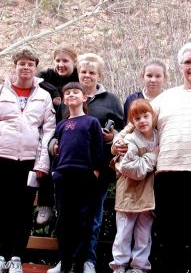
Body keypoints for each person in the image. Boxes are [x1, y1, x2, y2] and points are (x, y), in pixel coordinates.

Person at [115, 42, 191, 273]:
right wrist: (118, 143)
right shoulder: (165, 98)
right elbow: (136, 121)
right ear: (180, 66)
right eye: (187, 62)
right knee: (170, 240)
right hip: (168, 175)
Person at [0, 47, 56, 273]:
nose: (26, 68)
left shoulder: (43, 95)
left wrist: (42, 163)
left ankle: (16, 258)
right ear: (15, 66)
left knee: (22, 213)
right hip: (1, 161)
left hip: (30, 164)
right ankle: (0, 256)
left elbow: (47, 132)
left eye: (30, 64)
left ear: (35, 68)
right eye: (22, 63)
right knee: (2, 211)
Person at [48, 53, 124, 273]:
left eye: (92, 72)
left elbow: (123, 129)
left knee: (92, 219)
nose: (87, 76)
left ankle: (87, 261)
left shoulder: (110, 100)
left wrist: (113, 136)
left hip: (94, 171)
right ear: (78, 73)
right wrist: (53, 145)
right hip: (66, 170)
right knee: (67, 218)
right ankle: (66, 260)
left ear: (99, 75)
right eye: (83, 72)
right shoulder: (69, 98)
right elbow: (58, 130)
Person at [52, 82, 104, 273]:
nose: (71, 95)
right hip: (63, 177)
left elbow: (98, 148)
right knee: (64, 221)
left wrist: (97, 170)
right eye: (68, 93)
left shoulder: (92, 122)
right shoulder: (61, 125)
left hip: (85, 177)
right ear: (64, 100)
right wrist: (54, 171)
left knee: (85, 221)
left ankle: (80, 263)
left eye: (76, 92)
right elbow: (55, 151)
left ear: (84, 98)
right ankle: (64, 263)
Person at [109, 99, 159, 273]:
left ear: (153, 116)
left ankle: (139, 267)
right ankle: (119, 265)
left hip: (148, 195)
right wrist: (152, 156)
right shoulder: (130, 139)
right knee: (123, 232)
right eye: (137, 118)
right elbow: (130, 168)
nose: (142, 121)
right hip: (129, 192)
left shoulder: (158, 136)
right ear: (132, 122)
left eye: (146, 116)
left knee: (143, 234)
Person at [35, 44, 79, 225]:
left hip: (71, 126)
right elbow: (34, 80)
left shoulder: (79, 77)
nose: (61, 64)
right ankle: (45, 204)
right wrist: (54, 92)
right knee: (45, 156)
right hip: (48, 126)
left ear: (74, 62)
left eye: (65, 61)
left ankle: (67, 207)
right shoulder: (46, 76)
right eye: (58, 61)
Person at [122, 58, 169, 124]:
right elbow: (126, 127)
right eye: (149, 76)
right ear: (142, 76)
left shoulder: (169, 99)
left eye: (158, 76)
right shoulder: (132, 99)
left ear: (165, 78)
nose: (153, 80)